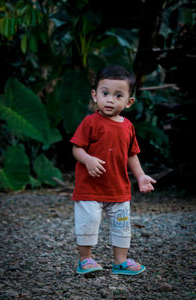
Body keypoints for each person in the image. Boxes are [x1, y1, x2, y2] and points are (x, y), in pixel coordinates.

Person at [70, 64, 156, 275]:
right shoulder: (90, 122)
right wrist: (87, 159)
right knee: (88, 224)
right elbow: (76, 148)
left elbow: (131, 155)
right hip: (89, 189)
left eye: (118, 96)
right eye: (105, 93)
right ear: (95, 95)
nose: (110, 99)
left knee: (122, 227)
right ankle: (86, 259)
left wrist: (141, 175)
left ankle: (120, 261)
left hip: (118, 190)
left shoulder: (127, 126)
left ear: (129, 102)